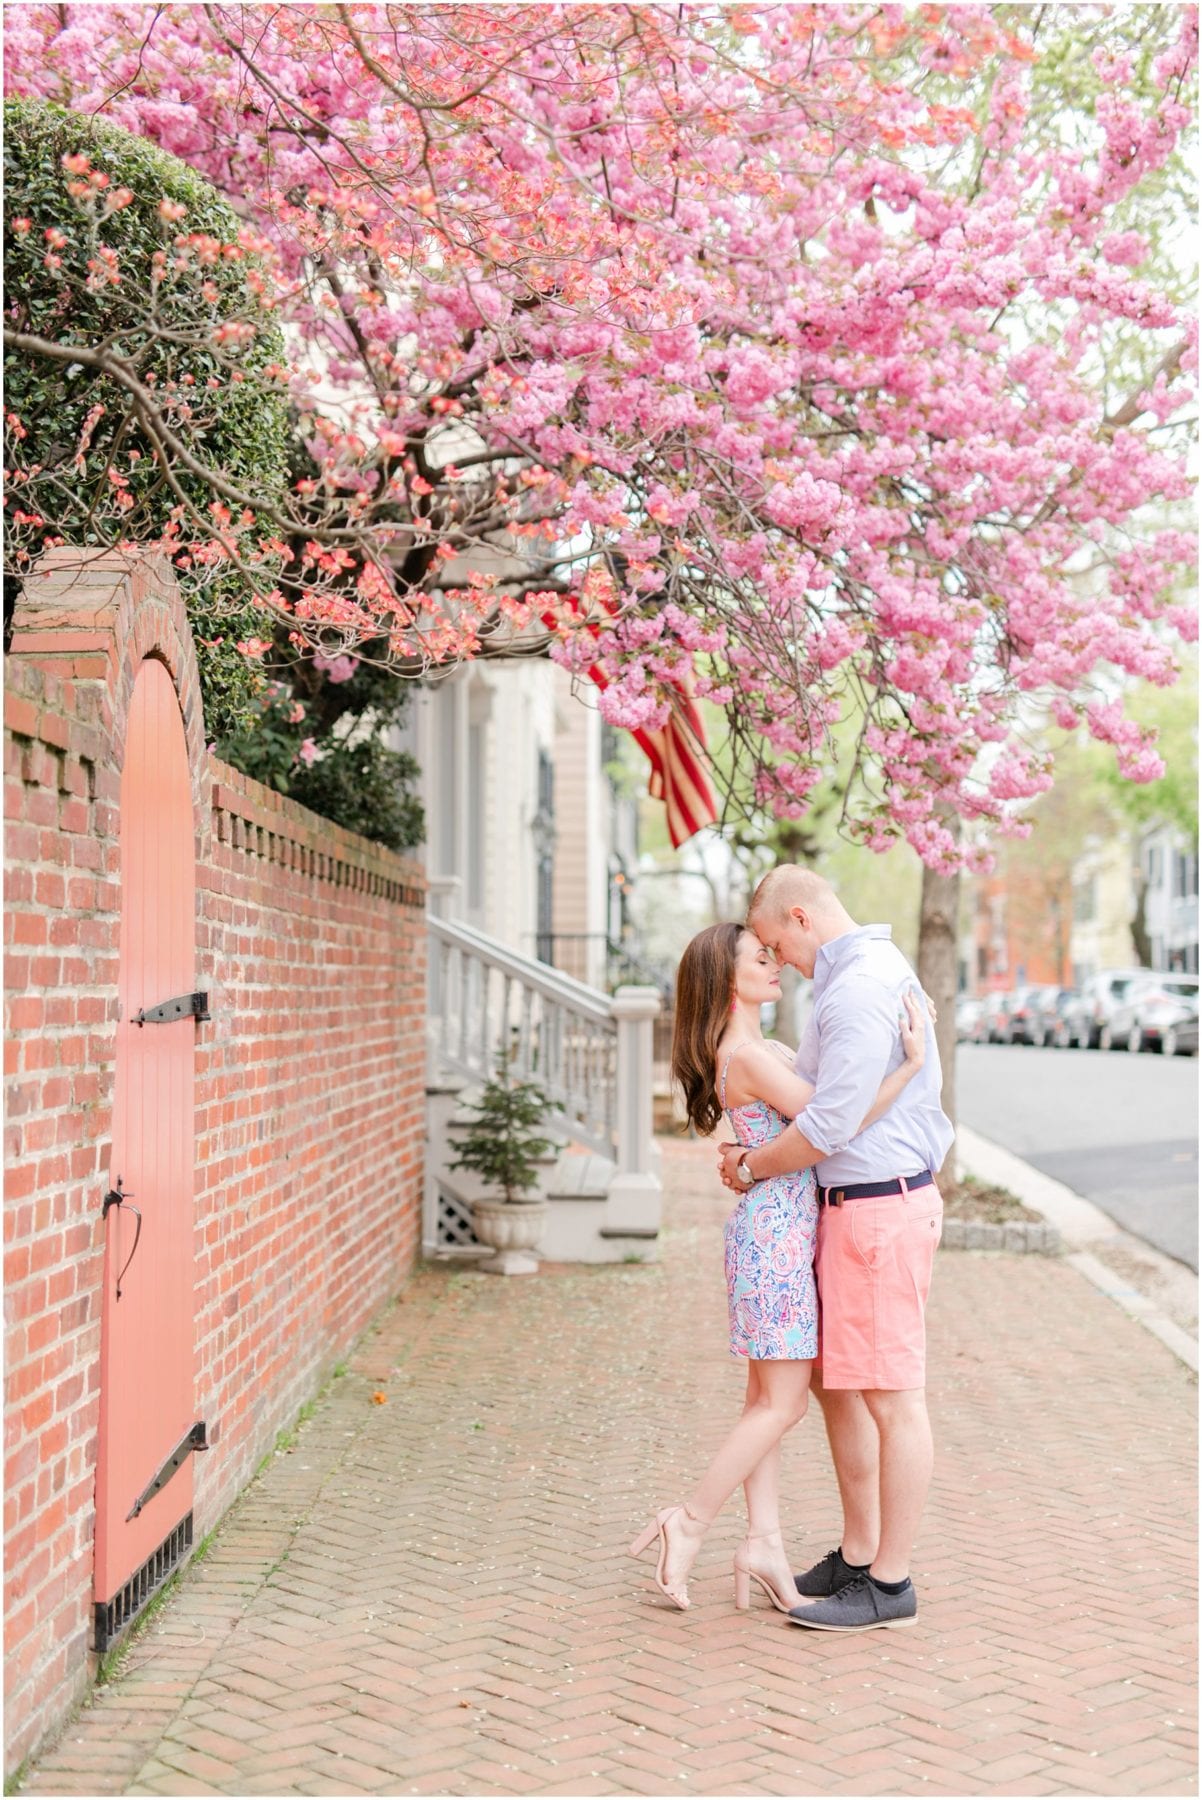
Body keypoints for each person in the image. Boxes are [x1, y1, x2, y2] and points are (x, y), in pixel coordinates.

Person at [629, 919, 927, 1613]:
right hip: (780, 1237)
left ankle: (763, 1541)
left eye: (772, 954)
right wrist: (909, 1069)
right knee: (784, 1403)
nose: (775, 965)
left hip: (774, 1229)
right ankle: (690, 1520)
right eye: (757, 958)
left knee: (763, 1400)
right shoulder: (752, 1056)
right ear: (723, 978)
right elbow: (837, 1124)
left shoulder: (756, 1049)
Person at [716, 867, 954, 1633]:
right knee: (840, 1387)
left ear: (798, 916)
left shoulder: (856, 989)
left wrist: (751, 1167)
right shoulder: (851, 981)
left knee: (891, 1397)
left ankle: (890, 1583)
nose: (776, 957)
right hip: (852, 1211)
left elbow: (827, 1126)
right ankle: (858, 1556)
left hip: (881, 1211)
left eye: (775, 941)